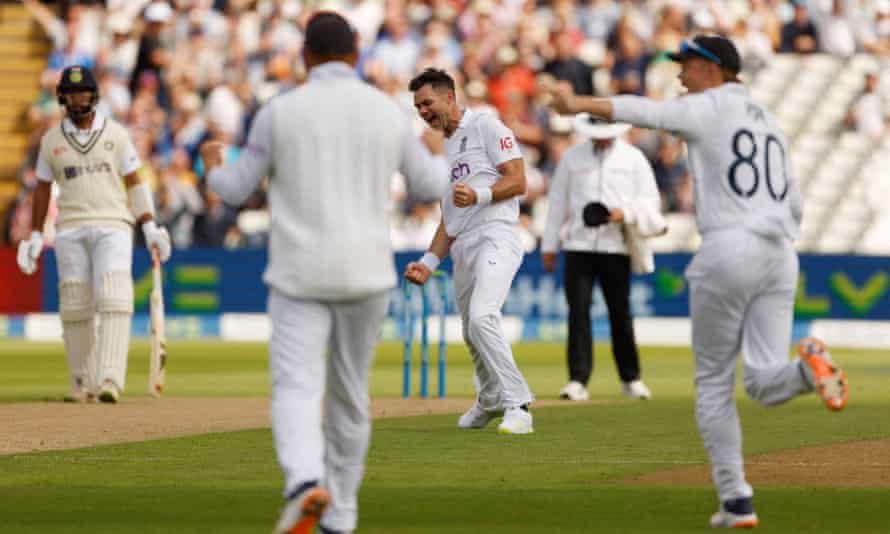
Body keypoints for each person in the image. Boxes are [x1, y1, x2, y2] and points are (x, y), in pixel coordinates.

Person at [548, 35, 849, 528]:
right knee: (764, 382)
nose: (680, 77)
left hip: (730, 247)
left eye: (685, 66)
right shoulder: (769, 120)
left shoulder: (709, 107)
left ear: (712, 68)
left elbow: (645, 112)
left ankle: (736, 501)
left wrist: (575, 102)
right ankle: (807, 369)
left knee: (712, 385)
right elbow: (794, 202)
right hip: (779, 254)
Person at [199, 12, 448, 534]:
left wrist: (213, 161)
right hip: (367, 273)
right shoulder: (386, 112)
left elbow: (234, 190)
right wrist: (441, 141)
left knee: (295, 385)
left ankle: (304, 482)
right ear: (356, 53)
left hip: (299, 274)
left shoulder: (279, 111)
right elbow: (429, 185)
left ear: (305, 55)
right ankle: (343, 512)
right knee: (351, 394)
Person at [16, 65, 171, 404]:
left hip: (113, 223)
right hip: (70, 226)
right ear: (61, 98)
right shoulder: (51, 141)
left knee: (115, 295)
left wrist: (149, 224)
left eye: (83, 92)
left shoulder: (116, 134)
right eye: (71, 94)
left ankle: (111, 379)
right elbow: (42, 190)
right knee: (74, 302)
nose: (77, 99)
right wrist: (35, 236)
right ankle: (83, 379)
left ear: (94, 96)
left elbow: (134, 181)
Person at [405, 68, 536, 435]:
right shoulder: (440, 148)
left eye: (427, 103)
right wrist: (429, 263)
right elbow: (450, 216)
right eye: (417, 107)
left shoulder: (486, 126)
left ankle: (518, 404)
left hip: (498, 234)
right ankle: (490, 397)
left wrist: (480, 194)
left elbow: (519, 180)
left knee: (482, 317)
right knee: (469, 330)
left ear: (450, 97)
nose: (424, 112)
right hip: (463, 244)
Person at [541, 113, 663, 402]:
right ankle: (577, 380)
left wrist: (626, 212)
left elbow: (650, 200)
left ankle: (631, 378)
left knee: (620, 313)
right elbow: (558, 201)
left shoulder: (633, 159)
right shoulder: (572, 158)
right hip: (578, 245)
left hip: (616, 245)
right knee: (578, 312)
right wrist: (549, 244)